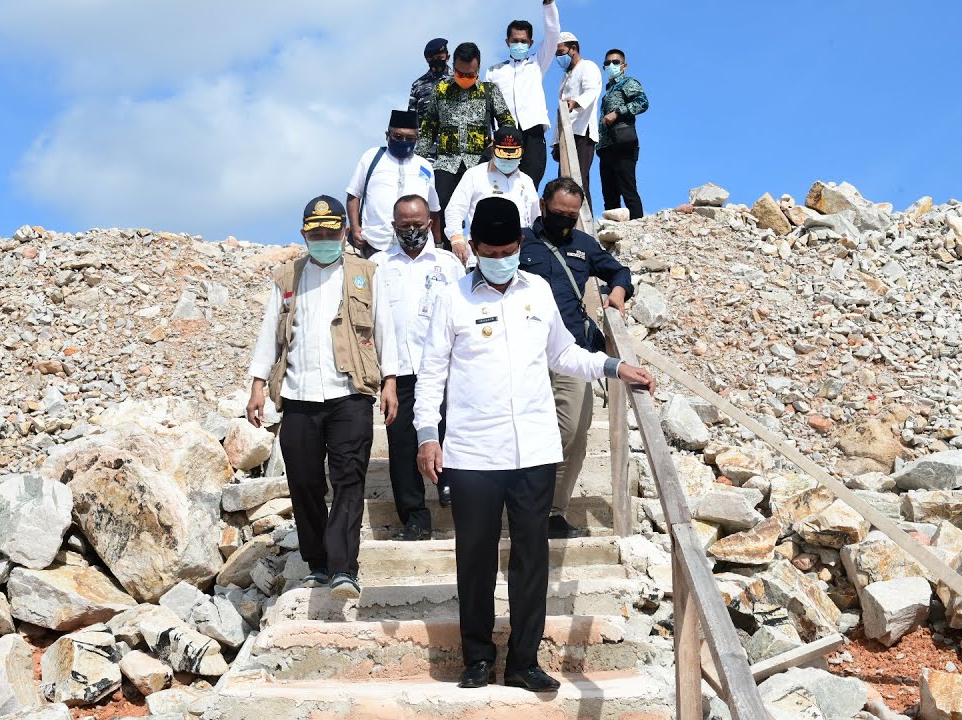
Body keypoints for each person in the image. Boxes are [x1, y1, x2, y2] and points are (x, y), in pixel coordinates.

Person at [413, 196, 655, 692]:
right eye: (489, 249)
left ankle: (523, 661)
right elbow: (432, 372)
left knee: (531, 558)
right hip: (474, 453)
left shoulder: (538, 291)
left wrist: (613, 365)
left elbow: (564, 353)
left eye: (507, 248)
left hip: (535, 452)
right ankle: (478, 657)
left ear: (519, 245)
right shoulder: (452, 297)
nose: (499, 257)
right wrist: (426, 437)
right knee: (474, 557)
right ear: (473, 248)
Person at [246, 195, 400, 602]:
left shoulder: (366, 273)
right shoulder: (287, 278)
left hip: (349, 394)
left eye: (331, 233)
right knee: (304, 481)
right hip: (298, 397)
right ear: (304, 234)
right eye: (316, 234)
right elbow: (270, 333)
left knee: (349, 480)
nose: (324, 240)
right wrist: (258, 384)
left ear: (344, 232)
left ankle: (344, 568)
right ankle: (317, 563)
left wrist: (390, 381)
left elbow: (385, 328)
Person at [518, 177, 632, 538]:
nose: (564, 221)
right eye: (558, 214)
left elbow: (619, 271)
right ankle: (519, 507)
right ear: (542, 206)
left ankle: (553, 511)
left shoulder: (584, 244)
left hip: (572, 353)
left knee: (572, 435)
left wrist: (616, 294)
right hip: (525, 354)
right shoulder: (520, 241)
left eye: (572, 215)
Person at [370, 194, 467, 540]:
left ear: (430, 223)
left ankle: (450, 489)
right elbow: (374, 322)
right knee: (402, 444)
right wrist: (386, 379)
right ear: (393, 226)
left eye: (418, 224)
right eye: (404, 226)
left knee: (450, 433)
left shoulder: (449, 265)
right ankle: (414, 516)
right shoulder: (378, 266)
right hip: (399, 372)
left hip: (444, 368)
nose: (412, 231)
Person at [415, 42, 516, 224]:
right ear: (453, 66)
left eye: (470, 74)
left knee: (486, 213)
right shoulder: (441, 90)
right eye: (460, 74)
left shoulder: (490, 91)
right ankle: (445, 249)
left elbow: (508, 123)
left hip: (480, 163)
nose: (465, 78)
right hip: (446, 163)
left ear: (479, 67)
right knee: (441, 208)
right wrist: (417, 160)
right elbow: (429, 127)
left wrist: (499, 143)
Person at [346, 110, 445, 258]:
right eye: (398, 136)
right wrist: (355, 228)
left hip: (415, 245)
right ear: (387, 136)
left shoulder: (424, 166)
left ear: (417, 138)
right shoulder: (372, 158)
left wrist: (438, 244)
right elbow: (354, 194)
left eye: (410, 138)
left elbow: (433, 209)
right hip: (376, 244)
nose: (404, 141)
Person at [484, 0, 560, 188]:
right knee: (503, 180)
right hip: (505, 132)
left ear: (531, 43)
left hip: (533, 130)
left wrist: (549, 5)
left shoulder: (537, 64)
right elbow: (486, 107)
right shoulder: (494, 71)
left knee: (532, 177)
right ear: (507, 42)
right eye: (515, 41)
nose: (519, 44)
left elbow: (553, 35)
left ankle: (528, 216)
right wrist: (490, 133)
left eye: (523, 41)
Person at [442, 126, 540, 267]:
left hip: (518, 258)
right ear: (493, 150)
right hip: (483, 256)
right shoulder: (474, 175)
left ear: (521, 152)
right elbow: (455, 209)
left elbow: (535, 219)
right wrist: (456, 238)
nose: (507, 158)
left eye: (512, 154)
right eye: (503, 152)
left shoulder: (527, 181)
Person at [549, 31, 602, 208]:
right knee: (565, 182)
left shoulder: (587, 67)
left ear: (573, 49)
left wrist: (576, 102)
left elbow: (592, 92)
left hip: (582, 132)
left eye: (561, 52)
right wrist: (556, 142)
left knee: (578, 183)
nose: (559, 57)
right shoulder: (566, 76)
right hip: (567, 134)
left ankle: (584, 226)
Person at [597, 48, 649, 220]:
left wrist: (618, 112)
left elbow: (642, 102)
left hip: (623, 144)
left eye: (615, 62)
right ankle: (613, 236)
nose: (611, 65)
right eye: (607, 63)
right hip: (606, 147)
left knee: (628, 189)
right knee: (609, 194)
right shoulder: (608, 91)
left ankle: (638, 227)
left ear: (624, 66)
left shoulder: (627, 83)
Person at [409, 38, 451, 129]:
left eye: (440, 58)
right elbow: (410, 121)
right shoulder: (418, 85)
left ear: (447, 57)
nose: (436, 62)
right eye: (432, 59)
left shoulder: (461, 81)